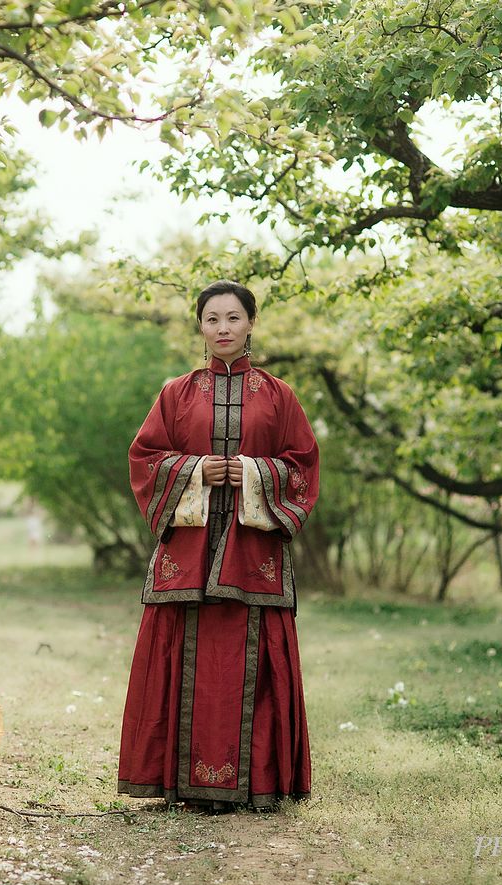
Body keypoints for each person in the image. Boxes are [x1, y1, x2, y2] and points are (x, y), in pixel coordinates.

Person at [117, 279, 320, 815]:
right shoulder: (175, 393)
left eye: (233, 318)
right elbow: (144, 458)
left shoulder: (279, 396)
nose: (223, 328)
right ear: (200, 327)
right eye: (212, 319)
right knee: (183, 655)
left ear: (251, 323)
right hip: (189, 551)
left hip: (255, 553)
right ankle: (179, 785)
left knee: (247, 661)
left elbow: (302, 464)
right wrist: (198, 469)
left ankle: (258, 784)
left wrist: (254, 473)